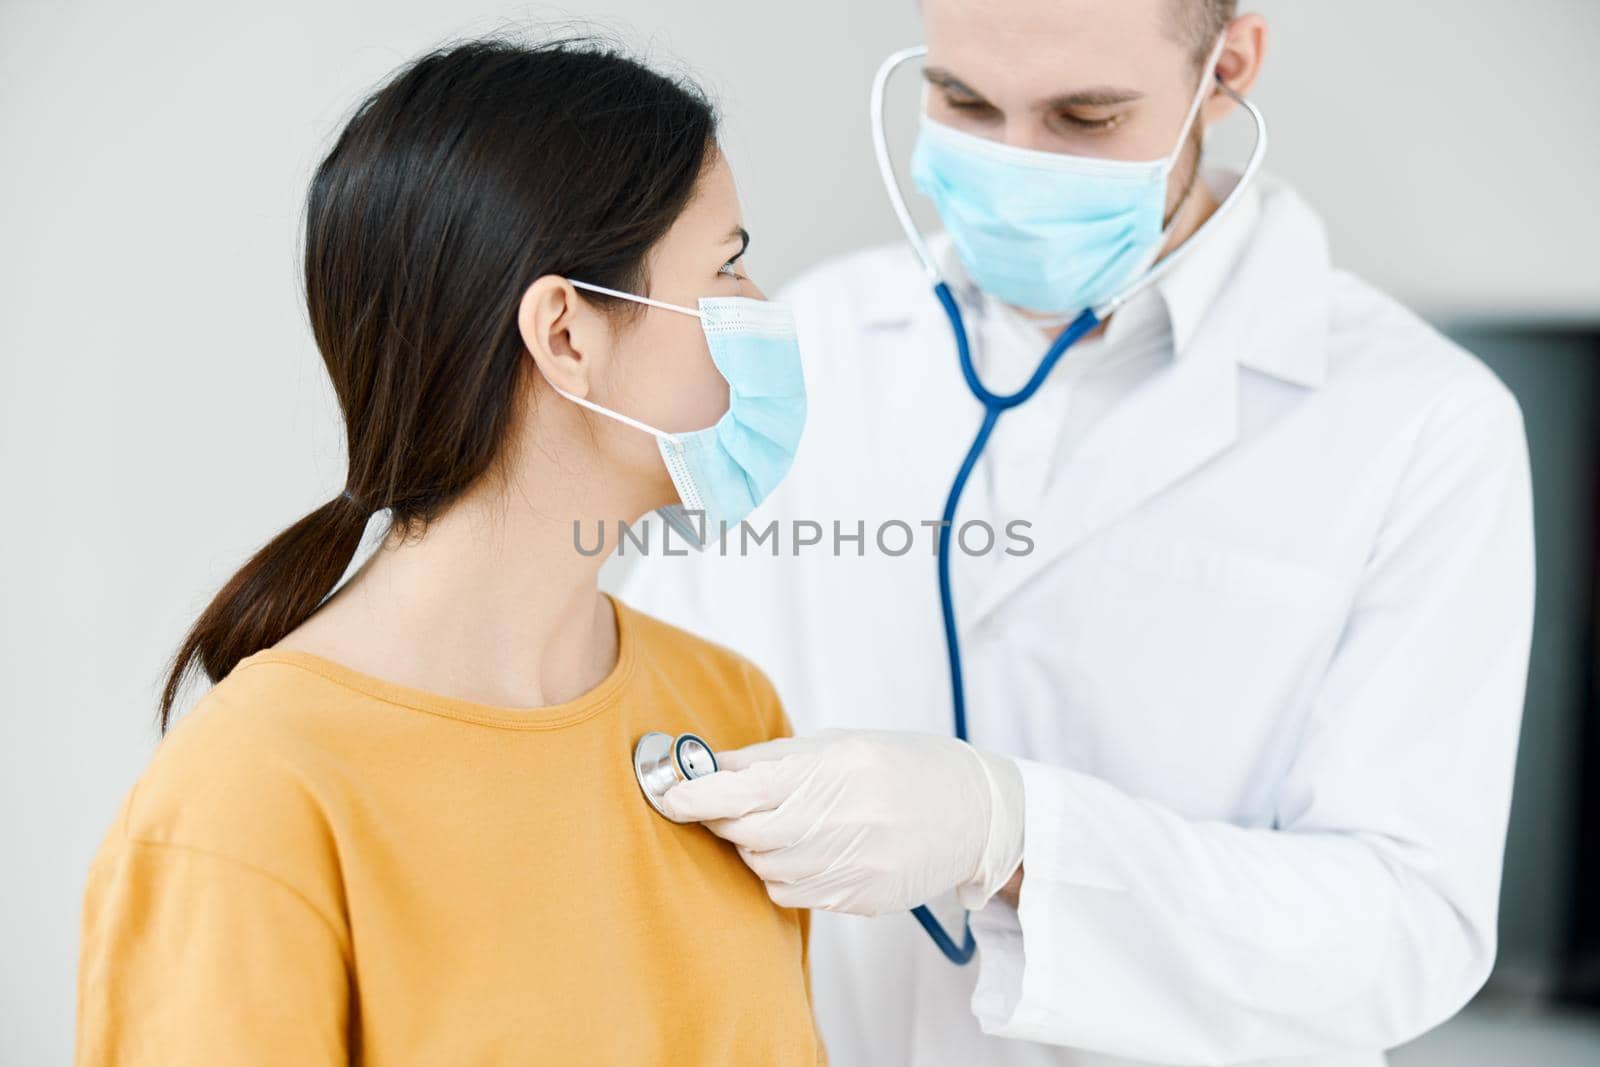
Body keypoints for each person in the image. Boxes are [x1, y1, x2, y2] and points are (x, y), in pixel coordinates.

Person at [616, 1, 1536, 1065]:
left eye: (1084, 118)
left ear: (1226, 68)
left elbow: (1408, 931)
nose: (1015, 161)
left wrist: (1011, 835)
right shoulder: (819, 336)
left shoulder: (1420, 422)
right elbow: (647, 704)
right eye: (962, 100)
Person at [75, 36, 823, 1066]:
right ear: (566, 334)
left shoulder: (728, 712)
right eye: (727, 264)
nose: (762, 305)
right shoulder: (253, 797)